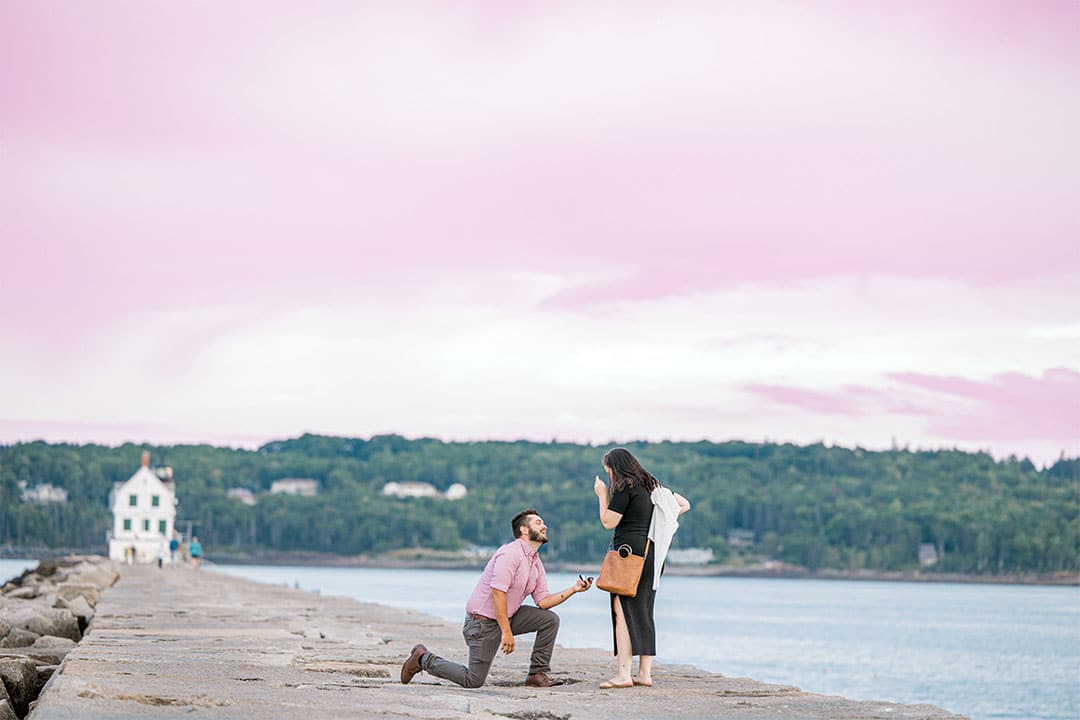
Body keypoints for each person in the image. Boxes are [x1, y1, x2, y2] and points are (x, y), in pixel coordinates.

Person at [400, 509, 593, 688]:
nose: (545, 526)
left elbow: (543, 601)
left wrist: (574, 589)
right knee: (473, 680)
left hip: (505, 618)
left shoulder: (535, 561)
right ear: (524, 530)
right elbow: (497, 593)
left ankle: (537, 674)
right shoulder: (510, 553)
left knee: (549, 620)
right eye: (538, 523)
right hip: (481, 624)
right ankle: (422, 659)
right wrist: (506, 632)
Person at [593, 447, 690, 689]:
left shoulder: (625, 487)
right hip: (652, 554)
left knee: (623, 612)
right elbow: (683, 504)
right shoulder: (653, 486)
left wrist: (602, 495)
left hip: (629, 554)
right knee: (644, 611)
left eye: (609, 472)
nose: (610, 477)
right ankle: (644, 673)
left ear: (617, 469)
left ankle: (623, 674)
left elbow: (608, 522)